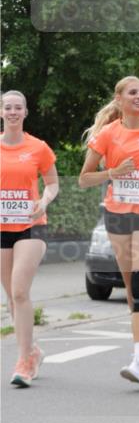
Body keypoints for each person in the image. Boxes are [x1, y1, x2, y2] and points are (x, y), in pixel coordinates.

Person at [79, 77, 139, 384]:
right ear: (119, 99)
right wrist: (113, 172)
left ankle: (138, 360)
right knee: (131, 286)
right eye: (133, 92)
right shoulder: (107, 134)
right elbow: (84, 178)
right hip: (117, 213)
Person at [1, 90, 59, 388]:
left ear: (25, 112)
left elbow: (52, 183)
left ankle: (24, 361)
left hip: (31, 225)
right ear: (1, 112)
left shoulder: (38, 148)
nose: (13, 112)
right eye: (8, 107)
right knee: (12, 297)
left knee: (20, 290)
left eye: (18, 108)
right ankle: (33, 350)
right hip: (2, 226)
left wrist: (44, 201)